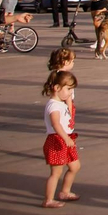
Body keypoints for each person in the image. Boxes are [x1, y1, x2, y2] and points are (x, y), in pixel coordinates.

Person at [40, 70, 81, 207]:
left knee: (75, 166)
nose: (70, 92)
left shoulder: (61, 103)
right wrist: (66, 138)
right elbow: (55, 124)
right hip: (57, 141)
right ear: (57, 88)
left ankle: (65, 191)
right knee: (56, 172)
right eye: (68, 89)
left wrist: (68, 139)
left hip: (67, 139)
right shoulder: (53, 105)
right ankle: (48, 199)